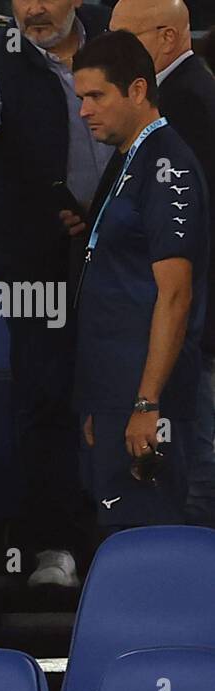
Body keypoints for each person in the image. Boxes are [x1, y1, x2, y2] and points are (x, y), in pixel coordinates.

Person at [0, 0, 115, 588]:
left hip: (131, 256)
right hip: (36, 265)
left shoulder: (121, 32)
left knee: (133, 396)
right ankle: (53, 549)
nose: (34, 8)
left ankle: (142, 545)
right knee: (44, 401)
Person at [68, 30, 209, 531]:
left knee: (149, 541)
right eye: (80, 97)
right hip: (113, 395)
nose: (84, 111)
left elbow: (175, 295)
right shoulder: (130, 160)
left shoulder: (167, 166)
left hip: (145, 402)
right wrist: (97, 401)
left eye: (96, 96)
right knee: (118, 536)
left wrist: (147, 403)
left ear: (137, 90)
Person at [110, 0, 215, 526]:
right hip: (188, 319)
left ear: (168, 39)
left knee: (198, 478)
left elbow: (178, 227)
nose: (112, 56)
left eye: (125, 42)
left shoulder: (186, 105)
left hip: (192, 322)